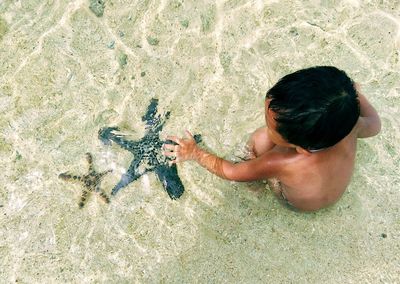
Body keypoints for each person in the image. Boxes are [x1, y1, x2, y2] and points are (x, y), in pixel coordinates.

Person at [163, 66, 381, 211]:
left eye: (270, 123)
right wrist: (350, 94)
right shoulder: (353, 125)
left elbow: (231, 172)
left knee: (260, 140)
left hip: (295, 202)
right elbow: (376, 124)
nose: (266, 123)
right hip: (330, 195)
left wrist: (195, 153)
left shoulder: (283, 162)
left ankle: (256, 184)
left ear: (302, 148)